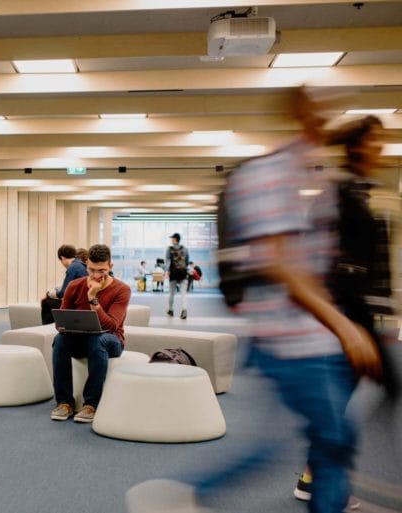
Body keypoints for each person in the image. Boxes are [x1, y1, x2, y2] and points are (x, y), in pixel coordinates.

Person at [130, 87, 382, 513]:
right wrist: (345, 327)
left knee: (299, 443)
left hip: (307, 337)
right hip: (288, 338)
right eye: (318, 108)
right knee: (330, 439)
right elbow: (281, 265)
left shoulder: (309, 172)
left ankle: (182, 495)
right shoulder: (270, 174)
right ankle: (183, 493)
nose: (327, 116)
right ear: (300, 113)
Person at [293, 115, 398, 504]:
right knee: (353, 397)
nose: (381, 147)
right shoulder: (336, 194)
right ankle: (323, 475)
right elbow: (317, 262)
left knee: (361, 395)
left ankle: (318, 474)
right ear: (357, 145)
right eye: (374, 140)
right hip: (346, 316)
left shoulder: (372, 194)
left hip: (366, 314)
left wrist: (385, 315)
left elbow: (377, 264)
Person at [50, 244, 131, 423]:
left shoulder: (122, 289)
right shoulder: (74, 286)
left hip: (111, 341)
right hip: (81, 340)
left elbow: (112, 326)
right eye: (92, 270)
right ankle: (64, 402)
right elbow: (60, 323)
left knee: (98, 339)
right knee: (60, 340)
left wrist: (93, 298)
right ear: (86, 264)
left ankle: (91, 404)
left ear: (110, 266)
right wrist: (65, 327)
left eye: (102, 270)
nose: (96, 275)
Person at [41, 244, 87, 325]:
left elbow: (63, 293)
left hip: (76, 306)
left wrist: (48, 294)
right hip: (83, 302)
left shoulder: (72, 268)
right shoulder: (81, 265)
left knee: (46, 302)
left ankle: (49, 327)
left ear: (62, 258)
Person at [165, 233, 190, 319]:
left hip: (174, 273)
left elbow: (167, 261)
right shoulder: (185, 249)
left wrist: (167, 271)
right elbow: (187, 261)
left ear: (175, 239)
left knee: (172, 293)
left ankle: (170, 310)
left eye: (172, 238)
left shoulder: (169, 249)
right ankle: (184, 310)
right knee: (184, 294)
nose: (171, 240)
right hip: (183, 273)